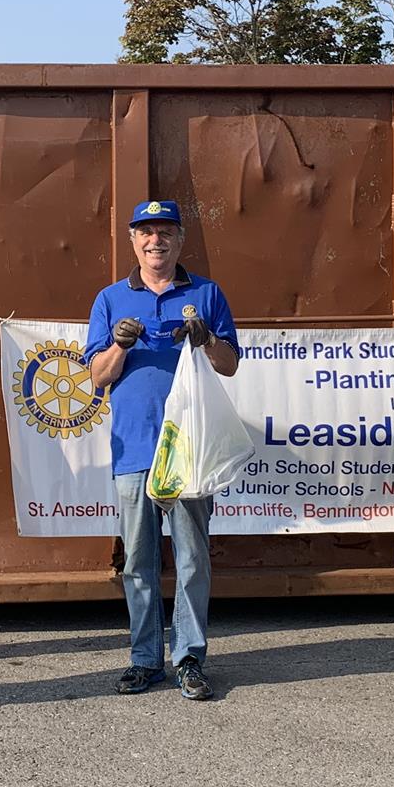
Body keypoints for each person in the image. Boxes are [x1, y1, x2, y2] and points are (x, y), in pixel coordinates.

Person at [84, 200, 240, 701]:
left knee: (193, 559)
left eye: (166, 231)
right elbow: (97, 377)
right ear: (133, 240)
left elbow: (229, 364)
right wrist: (119, 345)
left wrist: (207, 339)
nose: (156, 241)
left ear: (180, 240)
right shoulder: (110, 299)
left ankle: (190, 658)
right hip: (135, 449)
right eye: (147, 232)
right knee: (138, 562)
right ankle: (145, 659)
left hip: (189, 452)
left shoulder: (206, 293)